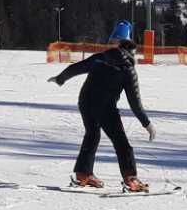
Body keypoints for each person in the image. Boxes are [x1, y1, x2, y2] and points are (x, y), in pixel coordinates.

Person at [49, 20, 154, 191]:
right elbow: (134, 101)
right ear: (130, 46)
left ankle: (83, 174)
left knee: (92, 135)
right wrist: (146, 123)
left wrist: (60, 78)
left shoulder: (100, 58)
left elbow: (77, 67)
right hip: (105, 108)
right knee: (121, 143)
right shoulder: (128, 70)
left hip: (86, 103)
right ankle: (131, 179)